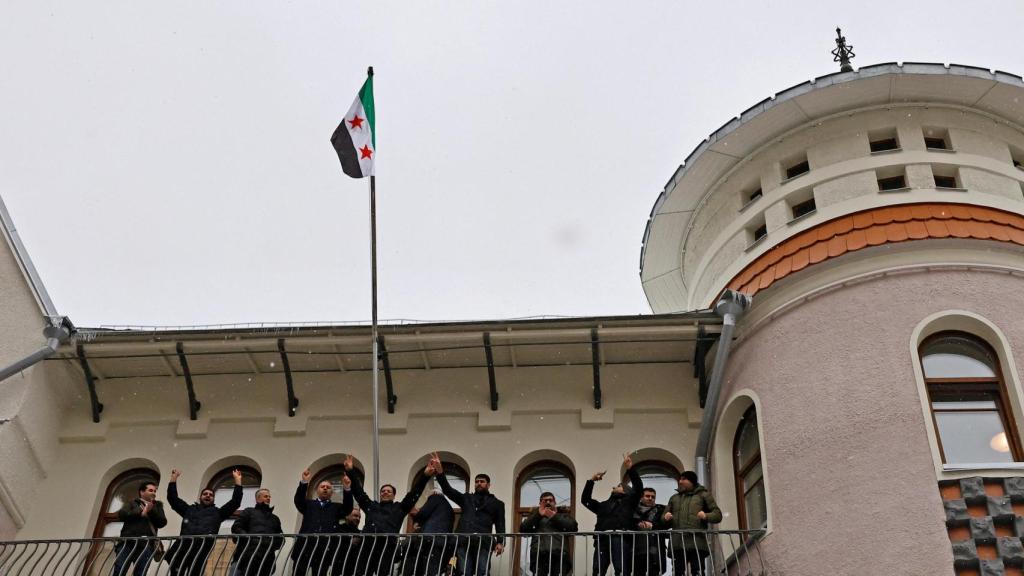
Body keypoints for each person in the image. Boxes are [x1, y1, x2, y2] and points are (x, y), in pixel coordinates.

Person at [345, 454, 434, 575]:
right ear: (380, 494)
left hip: (387, 547)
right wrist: (350, 471)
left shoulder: (400, 508)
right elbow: (359, 493)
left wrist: (425, 476)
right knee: (362, 572)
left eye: (389, 491)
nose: (385, 492)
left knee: (384, 573)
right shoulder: (372, 506)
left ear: (393, 495)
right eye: (383, 491)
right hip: (367, 545)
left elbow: (413, 494)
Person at [429, 453, 505, 576]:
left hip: (483, 542)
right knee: (463, 571)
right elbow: (449, 491)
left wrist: (501, 542)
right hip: (463, 540)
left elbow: (500, 523)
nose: (479, 483)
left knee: (482, 571)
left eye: (482, 481)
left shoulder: (497, 503)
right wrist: (440, 472)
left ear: (488, 485)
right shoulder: (467, 498)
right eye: (476, 482)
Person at [165, 468, 243, 575]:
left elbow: (235, 502)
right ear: (200, 497)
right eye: (205, 494)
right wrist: (173, 478)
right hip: (183, 548)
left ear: (213, 499)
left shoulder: (218, 513)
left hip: (202, 550)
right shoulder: (189, 509)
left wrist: (238, 481)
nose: (208, 496)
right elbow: (173, 499)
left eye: (211, 495)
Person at [581, 453, 642, 576]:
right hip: (602, 539)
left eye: (619, 486)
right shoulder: (603, 505)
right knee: (598, 570)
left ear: (627, 491)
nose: (614, 486)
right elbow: (585, 500)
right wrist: (591, 481)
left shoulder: (630, 502)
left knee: (621, 570)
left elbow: (639, 488)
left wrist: (630, 468)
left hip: (621, 538)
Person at [291, 467, 354, 576]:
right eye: (322, 487)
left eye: (328, 487)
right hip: (305, 547)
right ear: (317, 490)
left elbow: (348, 508)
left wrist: (347, 488)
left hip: (325, 550)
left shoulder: (336, 507)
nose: (325, 488)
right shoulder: (308, 505)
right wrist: (304, 482)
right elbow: (298, 500)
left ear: (332, 492)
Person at [662, 472, 721, 576]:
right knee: (677, 572)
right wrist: (666, 518)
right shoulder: (674, 498)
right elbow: (663, 520)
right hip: (677, 543)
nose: (680, 481)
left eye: (683, 479)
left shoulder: (703, 495)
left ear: (691, 481)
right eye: (680, 479)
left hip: (697, 542)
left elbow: (717, 515)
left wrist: (706, 515)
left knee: (697, 572)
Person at [112, 480, 167, 576]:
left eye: (154, 491)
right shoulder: (132, 503)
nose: (153, 493)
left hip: (146, 545)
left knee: (141, 573)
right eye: (150, 490)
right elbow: (122, 515)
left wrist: (151, 510)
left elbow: (162, 522)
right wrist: (140, 512)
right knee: (119, 570)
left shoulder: (157, 505)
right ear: (142, 492)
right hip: (126, 543)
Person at [519, 491, 578, 576]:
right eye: (545, 501)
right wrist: (538, 514)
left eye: (550, 500)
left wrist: (554, 516)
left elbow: (573, 527)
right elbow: (523, 529)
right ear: (540, 503)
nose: (548, 502)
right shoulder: (534, 516)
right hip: (539, 556)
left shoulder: (563, 515)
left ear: (555, 502)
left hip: (559, 555)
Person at [405, 481, 455, 576]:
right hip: (442, 541)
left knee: (427, 567)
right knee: (434, 567)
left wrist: (417, 517)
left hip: (431, 538)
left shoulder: (435, 497)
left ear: (434, 493)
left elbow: (423, 513)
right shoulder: (448, 508)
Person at [231, 487, 284, 576]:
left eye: (269, 497)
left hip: (267, 559)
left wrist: (271, 544)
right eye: (265, 496)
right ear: (258, 498)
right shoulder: (249, 511)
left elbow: (280, 537)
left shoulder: (274, 518)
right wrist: (249, 538)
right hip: (247, 555)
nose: (268, 498)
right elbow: (236, 527)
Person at [631, 488, 667, 576]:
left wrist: (652, 526)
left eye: (653, 497)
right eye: (647, 496)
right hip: (636, 550)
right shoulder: (632, 510)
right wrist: (637, 524)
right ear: (641, 497)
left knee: (654, 572)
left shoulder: (661, 510)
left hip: (655, 549)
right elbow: (627, 523)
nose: (650, 498)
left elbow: (666, 527)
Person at [332, 508, 363, 576]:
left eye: (359, 517)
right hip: (339, 565)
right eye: (355, 515)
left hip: (353, 567)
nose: (358, 518)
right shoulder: (339, 528)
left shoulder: (360, 533)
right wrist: (350, 540)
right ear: (347, 516)